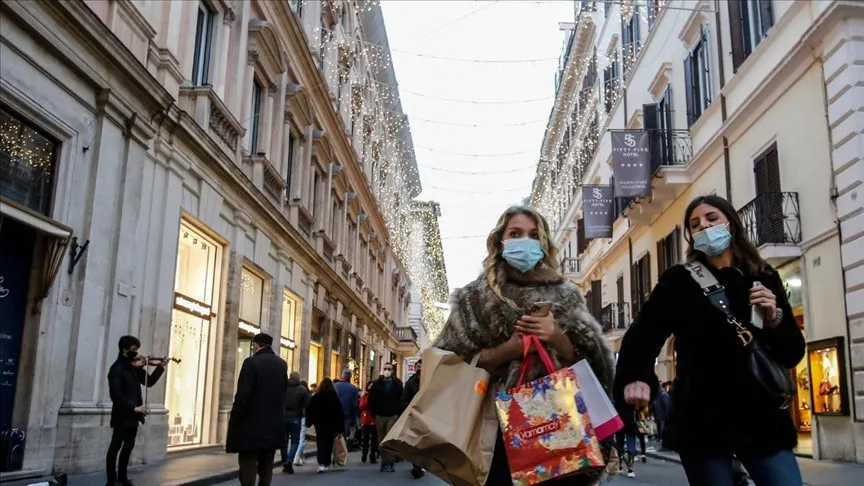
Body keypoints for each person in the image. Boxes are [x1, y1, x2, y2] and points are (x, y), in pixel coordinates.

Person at [615, 195, 806, 486]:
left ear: (730, 222)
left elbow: (791, 353)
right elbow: (643, 335)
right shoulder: (678, 281)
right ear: (690, 236)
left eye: (711, 218)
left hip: (761, 416)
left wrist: (775, 319)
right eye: (695, 224)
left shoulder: (762, 276)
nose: (703, 226)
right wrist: (636, 376)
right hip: (702, 418)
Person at [432, 205, 615, 486]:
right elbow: (448, 365)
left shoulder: (565, 295)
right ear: (500, 241)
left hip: (557, 422)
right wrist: (509, 350)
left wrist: (555, 336)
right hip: (492, 430)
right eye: (515, 233)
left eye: (533, 235)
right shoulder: (474, 298)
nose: (524, 242)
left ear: (542, 244)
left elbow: (594, 365)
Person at [225, 334, 288, 486]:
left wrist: (236, 419)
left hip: (251, 425)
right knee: (267, 464)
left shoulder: (251, 363)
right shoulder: (281, 364)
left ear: (257, 345)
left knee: (248, 463)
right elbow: (283, 393)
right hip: (273, 424)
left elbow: (243, 395)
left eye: (253, 345)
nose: (252, 348)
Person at [106, 336, 166, 486]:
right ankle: (112, 481)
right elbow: (116, 395)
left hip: (133, 417)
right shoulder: (116, 369)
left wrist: (161, 366)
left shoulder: (133, 367)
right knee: (115, 447)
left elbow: (149, 382)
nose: (137, 353)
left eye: (137, 350)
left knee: (128, 448)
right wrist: (134, 407)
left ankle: (123, 478)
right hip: (122, 415)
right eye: (133, 350)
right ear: (124, 350)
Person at [368, 362, 404, 473]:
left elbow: (401, 399)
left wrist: (398, 412)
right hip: (380, 415)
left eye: (389, 368)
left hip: (392, 415)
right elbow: (371, 399)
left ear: (392, 370)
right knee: (382, 440)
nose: (387, 370)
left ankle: (391, 461)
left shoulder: (397, 384)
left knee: (390, 439)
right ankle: (384, 461)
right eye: (385, 368)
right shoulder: (377, 384)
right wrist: (373, 413)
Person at [305, 378, 345, 473]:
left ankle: (321, 463)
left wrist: (309, 422)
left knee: (321, 442)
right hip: (331, 424)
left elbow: (310, 410)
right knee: (329, 443)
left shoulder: (316, 397)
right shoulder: (334, 397)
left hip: (319, 423)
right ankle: (327, 462)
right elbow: (339, 412)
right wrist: (340, 427)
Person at [280, 371, 310, 473]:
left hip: (283, 417)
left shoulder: (282, 388)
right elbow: (307, 405)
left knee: (283, 441)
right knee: (295, 441)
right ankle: (289, 460)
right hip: (296, 417)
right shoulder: (302, 390)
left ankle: (285, 461)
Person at [401, 359, 424, 479]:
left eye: (422, 366)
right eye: (418, 366)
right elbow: (404, 399)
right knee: (415, 441)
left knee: (424, 442)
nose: (420, 368)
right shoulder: (410, 383)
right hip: (414, 415)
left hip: (426, 416)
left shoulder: (429, 380)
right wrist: (410, 410)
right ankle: (416, 466)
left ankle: (420, 464)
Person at [333, 369, 360, 441]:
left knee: (334, 435)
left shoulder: (334, 386)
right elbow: (355, 404)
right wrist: (356, 418)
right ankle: (341, 450)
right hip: (346, 416)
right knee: (342, 437)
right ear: (350, 377)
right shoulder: (353, 388)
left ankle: (334, 450)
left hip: (334, 415)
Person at [292, 380, 311, 467]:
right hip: (304, 417)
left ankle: (301, 457)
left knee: (299, 437)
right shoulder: (307, 395)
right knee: (302, 439)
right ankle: (297, 457)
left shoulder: (296, 393)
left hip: (297, 417)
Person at [358, 382, 378, 464]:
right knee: (366, 438)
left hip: (374, 419)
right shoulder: (365, 396)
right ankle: (364, 454)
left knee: (374, 439)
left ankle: (372, 455)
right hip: (366, 418)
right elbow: (361, 406)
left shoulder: (377, 396)